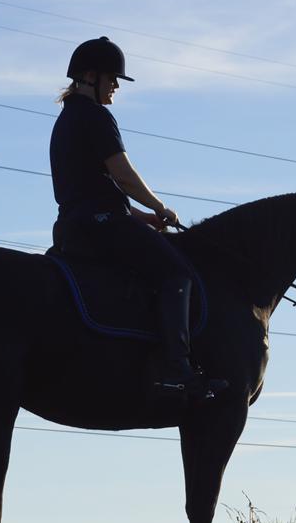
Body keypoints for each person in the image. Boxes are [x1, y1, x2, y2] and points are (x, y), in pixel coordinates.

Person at [49, 36, 222, 402]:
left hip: (75, 223)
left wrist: (141, 217)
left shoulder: (67, 119)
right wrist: (160, 207)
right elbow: (122, 176)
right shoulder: (96, 116)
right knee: (177, 273)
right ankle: (176, 369)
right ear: (90, 76)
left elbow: (91, 185)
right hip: (102, 224)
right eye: (112, 78)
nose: (115, 86)